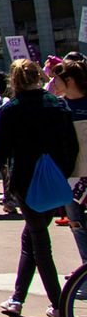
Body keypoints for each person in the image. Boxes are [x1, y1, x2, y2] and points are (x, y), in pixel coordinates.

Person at [0, 58, 79, 317]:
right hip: (55, 181)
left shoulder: (11, 110)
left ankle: (58, 304)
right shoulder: (58, 105)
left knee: (40, 243)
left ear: (14, 80)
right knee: (31, 237)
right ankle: (17, 297)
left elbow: (2, 151)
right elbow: (72, 146)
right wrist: (62, 172)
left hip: (25, 182)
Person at [56, 60, 87, 262]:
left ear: (69, 80)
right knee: (76, 222)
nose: (53, 83)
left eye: (56, 78)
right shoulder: (58, 106)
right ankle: (85, 271)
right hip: (70, 175)